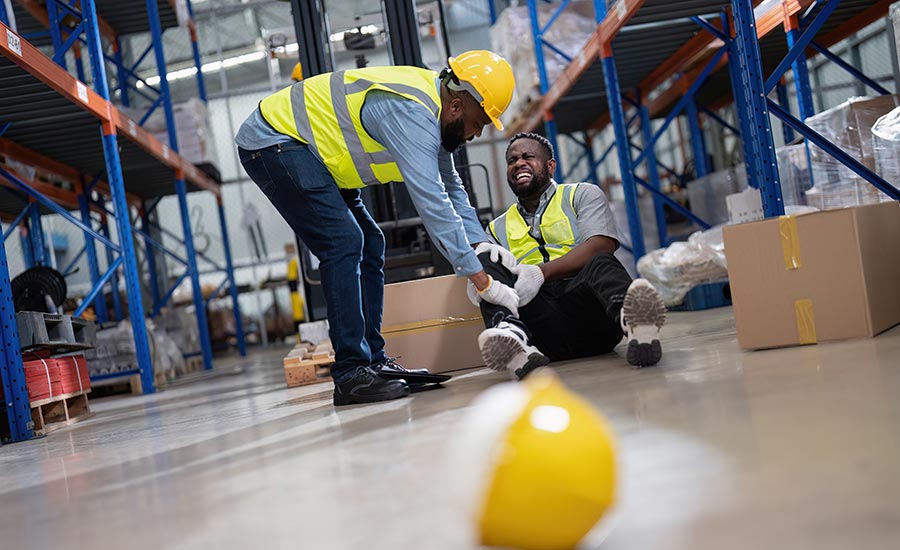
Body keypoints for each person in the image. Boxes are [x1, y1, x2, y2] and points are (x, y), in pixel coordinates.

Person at [235, 51, 520, 406]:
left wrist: (481, 246)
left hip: (314, 154)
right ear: (459, 105)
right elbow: (432, 202)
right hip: (274, 142)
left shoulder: (436, 110)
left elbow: (452, 188)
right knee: (343, 241)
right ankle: (351, 374)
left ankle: (372, 361)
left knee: (371, 240)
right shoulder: (411, 113)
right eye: (480, 122)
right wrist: (482, 281)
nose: (477, 134)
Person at [468, 132, 667, 380]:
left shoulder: (582, 195)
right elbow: (489, 275)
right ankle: (513, 341)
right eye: (512, 160)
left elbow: (601, 243)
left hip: (595, 319)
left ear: (551, 166)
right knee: (486, 258)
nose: (519, 163)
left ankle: (637, 325)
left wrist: (541, 272)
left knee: (600, 260)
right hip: (540, 332)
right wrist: (481, 280)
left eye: (528, 156)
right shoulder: (496, 228)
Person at [284, 242, 305, 341]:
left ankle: (301, 338)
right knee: (298, 318)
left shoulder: (295, 262)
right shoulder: (292, 263)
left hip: (298, 293)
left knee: (300, 318)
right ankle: (300, 339)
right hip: (295, 294)